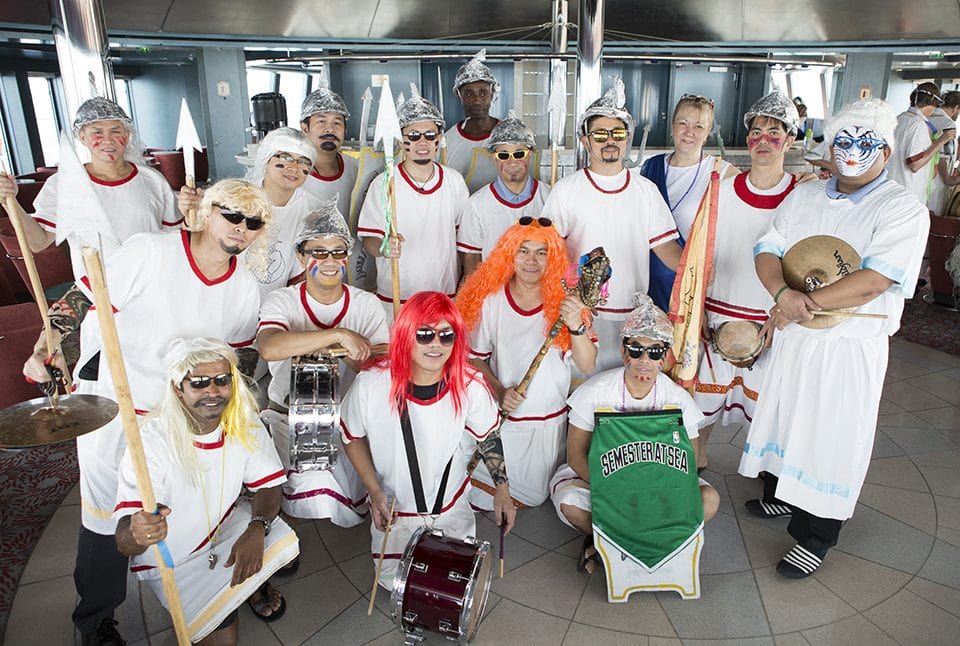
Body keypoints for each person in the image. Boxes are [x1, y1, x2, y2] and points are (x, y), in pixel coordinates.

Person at [24, 179, 270, 645]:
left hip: (183, 417)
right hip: (114, 408)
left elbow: (240, 354)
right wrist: (44, 345)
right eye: (232, 215)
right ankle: (95, 621)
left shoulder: (242, 284)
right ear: (208, 211)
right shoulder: (150, 252)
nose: (241, 228)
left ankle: (198, 591)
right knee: (105, 520)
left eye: (253, 222)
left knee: (180, 509)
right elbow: (82, 298)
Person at [744, 97, 929, 578]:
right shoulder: (806, 195)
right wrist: (782, 291)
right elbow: (768, 247)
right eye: (844, 140)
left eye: (866, 143)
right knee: (790, 422)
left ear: (886, 152)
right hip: (798, 339)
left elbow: (876, 279)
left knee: (831, 435)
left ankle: (818, 534)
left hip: (849, 346)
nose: (852, 151)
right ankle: (787, 497)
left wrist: (801, 303)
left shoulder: (902, 208)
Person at [114, 338, 298, 644]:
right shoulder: (152, 440)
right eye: (199, 382)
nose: (213, 391)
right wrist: (138, 531)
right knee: (224, 641)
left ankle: (248, 587)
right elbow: (124, 543)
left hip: (224, 527)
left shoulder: (242, 421)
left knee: (284, 545)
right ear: (177, 388)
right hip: (176, 557)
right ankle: (236, 591)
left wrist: (257, 527)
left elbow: (268, 485)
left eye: (222, 380)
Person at [340, 291, 517, 588]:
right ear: (406, 336)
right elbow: (351, 436)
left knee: (451, 587)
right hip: (396, 512)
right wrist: (374, 492)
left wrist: (502, 490)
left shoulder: (471, 385)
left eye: (446, 335)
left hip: (451, 509)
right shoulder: (370, 384)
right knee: (395, 587)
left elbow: (488, 437)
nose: (436, 344)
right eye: (424, 334)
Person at [549, 294, 719, 573]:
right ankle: (647, 540)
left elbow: (693, 460)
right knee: (569, 504)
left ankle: (608, 544)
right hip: (602, 482)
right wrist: (618, 490)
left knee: (709, 501)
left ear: (664, 358)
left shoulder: (677, 399)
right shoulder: (595, 391)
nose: (644, 360)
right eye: (636, 349)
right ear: (623, 353)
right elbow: (576, 455)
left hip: (659, 486)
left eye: (654, 352)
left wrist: (651, 491)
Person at [257, 203, 389, 526]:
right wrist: (340, 335)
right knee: (311, 493)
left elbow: (380, 369)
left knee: (365, 492)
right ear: (301, 258)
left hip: (350, 423)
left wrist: (346, 352)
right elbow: (270, 347)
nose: (329, 261)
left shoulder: (366, 304)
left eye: (337, 252)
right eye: (318, 252)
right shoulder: (283, 301)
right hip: (291, 416)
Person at [542, 78, 683, 371]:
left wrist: (697, 269)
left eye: (618, 132)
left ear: (627, 137)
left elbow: (666, 247)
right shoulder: (567, 190)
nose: (610, 140)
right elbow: (549, 252)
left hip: (634, 316)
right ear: (585, 139)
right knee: (582, 391)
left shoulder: (645, 190)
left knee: (620, 399)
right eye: (600, 134)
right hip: (582, 315)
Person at [693, 90, 800, 469]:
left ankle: (769, 477)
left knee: (769, 408)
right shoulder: (720, 189)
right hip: (719, 309)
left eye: (775, 132)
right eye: (756, 131)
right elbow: (700, 255)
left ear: (790, 139)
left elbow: (807, 264)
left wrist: (783, 316)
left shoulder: (801, 195)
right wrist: (696, 314)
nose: (764, 141)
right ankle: (694, 466)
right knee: (700, 404)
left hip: (771, 317)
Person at [458, 219, 597, 508]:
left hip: (545, 423)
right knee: (465, 485)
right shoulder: (493, 300)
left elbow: (587, 365)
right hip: (503, 419)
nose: (531, 261)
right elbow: (475, 358)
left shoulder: (567, 303)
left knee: (533, 497)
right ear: (509, 254)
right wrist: (498, 391)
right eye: (523, 251)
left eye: (541, 252)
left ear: (554, 258)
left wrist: (576, 326)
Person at [0, 97, 179, 281]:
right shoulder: (64, 184)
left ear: (127, 135)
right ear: (82, 137)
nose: (108, 140)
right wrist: (9, 201)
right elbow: (38, 242)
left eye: (115, 130)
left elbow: (174, 235)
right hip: (102, 292)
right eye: (98, 132)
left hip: (154, 282)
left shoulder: (152, 180)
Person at [358, 86, 469, 317]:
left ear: (439, 139)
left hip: (443, 296)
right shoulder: (385, 183)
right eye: (413, 136)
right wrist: (383, 246)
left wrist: (465, 286)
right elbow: (369, 238)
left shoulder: (454, 181)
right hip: (396, 298)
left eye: (430, 135)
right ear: (401, 140)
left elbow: (464, 240)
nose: (422, 142)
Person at [179, 127, 321, 299]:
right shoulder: (232, 195)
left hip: (272, 308)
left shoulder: (315, 211)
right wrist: (190, 213)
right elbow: (198, 240)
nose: (293, 167)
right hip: (220, 298)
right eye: (285, 157)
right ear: (266, 160)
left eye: (303, 162)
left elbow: (306, 271)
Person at [640, 93, 738, 312]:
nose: (689, 132)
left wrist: (797, 181)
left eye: (699, 126)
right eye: (683, 123)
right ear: (673, 126)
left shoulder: (721, 172)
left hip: (693, 278)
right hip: (650, 277)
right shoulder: (650, 167)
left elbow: (757, 190)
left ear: (708, 134)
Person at [457, 112, 550, 277]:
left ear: (531, 154)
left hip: (538, 296)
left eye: (519, 153)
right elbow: (472, 263)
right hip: (494, 297)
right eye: (504, 154)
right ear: (494, 158)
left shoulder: (550, 197)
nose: (512, 161)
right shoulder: (477, 204)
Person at [299, 82, 360, 220]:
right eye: (321, 121)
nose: (330, 129)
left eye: (337, 122)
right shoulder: (292, 172)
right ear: (304, 128)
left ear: (345, 130)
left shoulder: (356, 169)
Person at [444, 49, 501, 193]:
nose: (477, 100)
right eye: (469, 93)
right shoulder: (447, 140)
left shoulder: (505, 136)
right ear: (459, 96)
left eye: (483, 93)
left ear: (492, 93)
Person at [888, 82, 951, 203]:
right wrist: (940, 142)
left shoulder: (899, 118)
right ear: (933, 101)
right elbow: (915, 164)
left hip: (893, 188)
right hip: (907, 194)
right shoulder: (917, 125)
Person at [927, 90, 960, 215]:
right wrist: (947, 178)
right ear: (956, 108)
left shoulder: (927, 118)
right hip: (938, 182)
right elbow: (943, 156)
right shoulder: (948, 124)